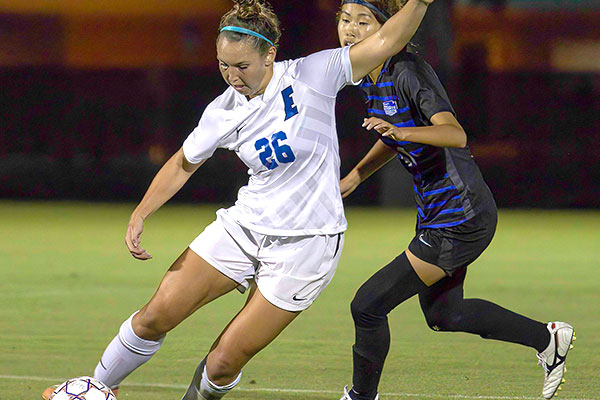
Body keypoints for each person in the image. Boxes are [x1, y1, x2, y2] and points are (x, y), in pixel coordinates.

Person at [41, 0, 434, 399]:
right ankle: (96, 388)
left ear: (270, 56)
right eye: (223, 65)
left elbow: (387, 39)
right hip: (244, 227)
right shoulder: (222, 111)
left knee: (222, 362)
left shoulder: (312, 74)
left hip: (307, 244)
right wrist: (141, 212)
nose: (232, 76)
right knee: (155, 315)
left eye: (241, 66)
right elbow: (182, 163)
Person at [335, 1, 575, 400]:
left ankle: (361, 397)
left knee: (367, 305)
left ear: (388, 27)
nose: (351, 29)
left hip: (461, 217)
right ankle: (547, 339)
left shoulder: (408, 71)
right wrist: (356, 176)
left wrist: (402, 132)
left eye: (364, 21)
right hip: (439, 214)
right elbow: (394, 134)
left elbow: (454, 134)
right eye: (345, 20)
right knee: (446, 315)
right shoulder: (367, 75)